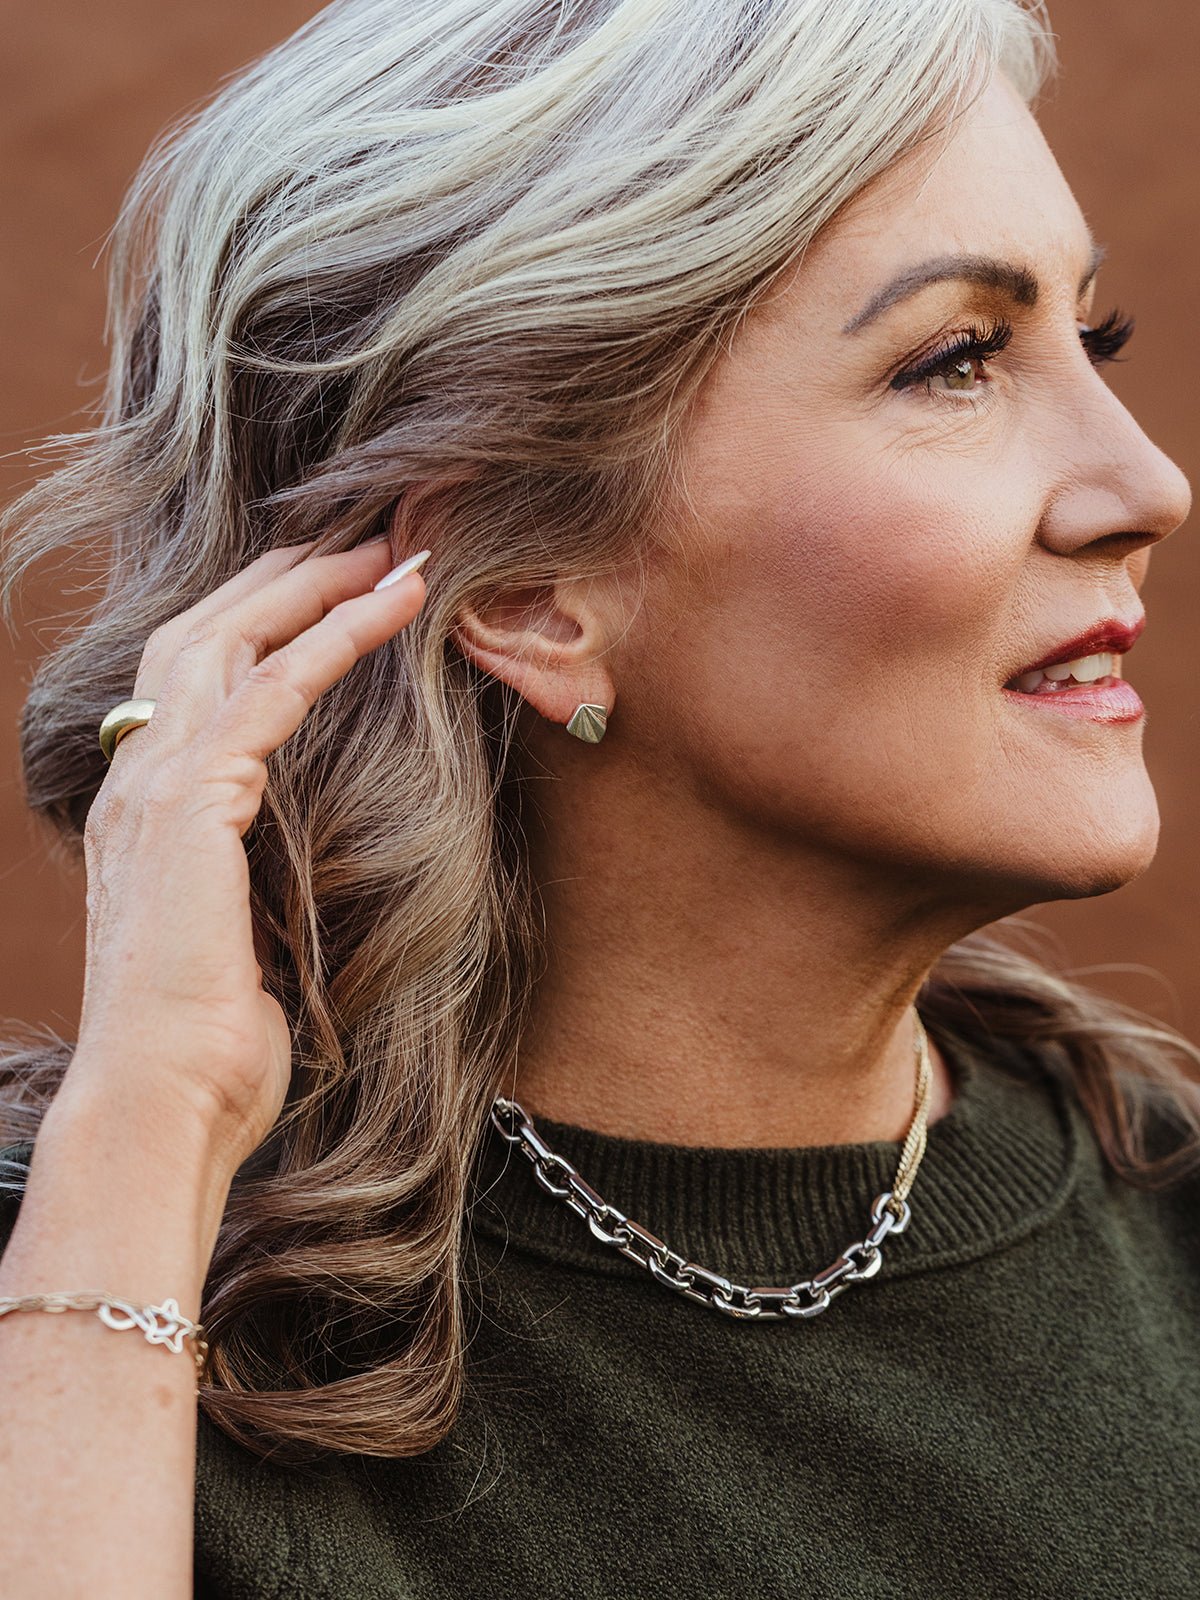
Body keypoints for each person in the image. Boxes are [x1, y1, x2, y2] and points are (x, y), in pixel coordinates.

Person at [1, 0, 1197, 1594]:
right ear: (528, 590)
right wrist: (148, 1135)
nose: (1149, 486)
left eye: (1092, 341)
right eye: (957, 360)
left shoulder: (1170, 1224)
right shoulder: (98, 1280)